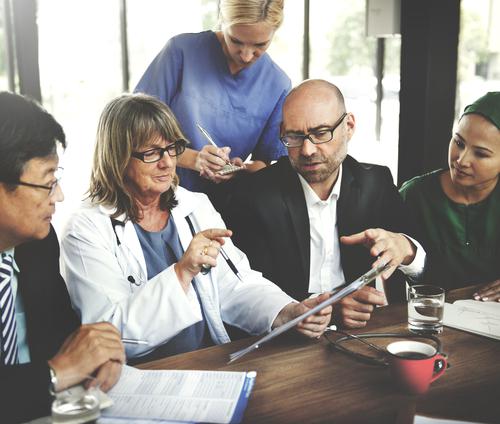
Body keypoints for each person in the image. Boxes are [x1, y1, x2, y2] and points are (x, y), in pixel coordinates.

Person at [60, 93, 331, 364]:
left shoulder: (196, 206)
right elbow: (110, 336)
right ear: (117, 157)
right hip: (141, 374)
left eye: (172, 148)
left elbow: (236, 285)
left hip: (208, 361)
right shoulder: (86, 228)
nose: (167, 162)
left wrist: (287, 312)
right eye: (152, 152)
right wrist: (181, 273)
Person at [223, 79, 426, 329]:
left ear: (349, 126)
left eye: (320, 133)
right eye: (295, 137)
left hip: (362, 333)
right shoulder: (255, 194)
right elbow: (242, 289)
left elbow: (427, 267)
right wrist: (330, 308)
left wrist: (407, 249)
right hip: (284, 342)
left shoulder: (376, 182)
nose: (307, 150)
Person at [0, 92, 125, 423]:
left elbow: (60, 332)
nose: (59, 196)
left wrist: (95, 353)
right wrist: (58, 372)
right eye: (47, 182)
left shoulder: (36, 244)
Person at [135, 0, 290, 206]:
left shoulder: (278, 84)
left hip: (223, 206)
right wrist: (194, 159)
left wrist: (238, 169)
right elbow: (135, 128)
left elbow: (265, 163)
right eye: (236, 40)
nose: (246, 55)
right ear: (222, 20)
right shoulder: (181, 52)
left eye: (260, 45)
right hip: (157, 194)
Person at [400, 92, 500, 298]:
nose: (461, 160)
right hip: (429, 320)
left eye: (480, 153)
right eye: (459, 143)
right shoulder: (414, 196)